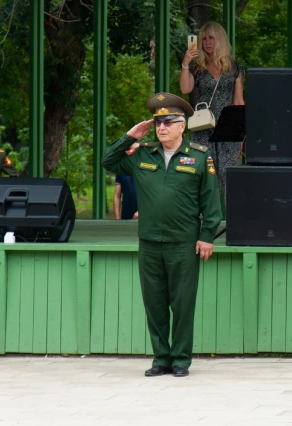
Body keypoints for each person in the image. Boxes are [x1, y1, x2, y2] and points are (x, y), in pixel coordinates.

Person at [102, 92, 221, 377]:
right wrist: (129, 136)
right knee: (154, 303)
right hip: (150, 243)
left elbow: (212, 203)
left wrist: (206, 236)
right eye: (158, 123)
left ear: (183, 126)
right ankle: (161, 358)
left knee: (182, 304)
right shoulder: (143, 154)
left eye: (168, 122)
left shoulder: (199, 158)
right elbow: (108, 161)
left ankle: (180, 359)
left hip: (183, 243)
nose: (162, 128)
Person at [180, 21, 245, 199]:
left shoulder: (235, 67)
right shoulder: (197, 66)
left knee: (230, 174)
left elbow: (238, 100)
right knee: (204, 176)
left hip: (228, 126)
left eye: (211, 38)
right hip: (203, 126)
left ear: (221, 40)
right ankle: (205, 220)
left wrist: (240, 132)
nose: (207, 42)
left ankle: (235, 220)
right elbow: (185, 89)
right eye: (204, 39)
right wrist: (186, 63)